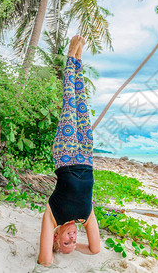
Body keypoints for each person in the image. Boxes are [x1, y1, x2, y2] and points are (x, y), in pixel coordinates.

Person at [37, 35, 100, 266]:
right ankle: (79, 61)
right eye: (74, 242)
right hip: (86, 158)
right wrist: (72, 250)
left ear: (56, 236)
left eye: (66, 242)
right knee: (82, 104)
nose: (73, 239)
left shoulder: (53, 215)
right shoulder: (85, 215)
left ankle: (70, 57)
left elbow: (45, 261)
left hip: (65, 156)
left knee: (69, 102)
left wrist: (54, 249)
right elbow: (95, 250)